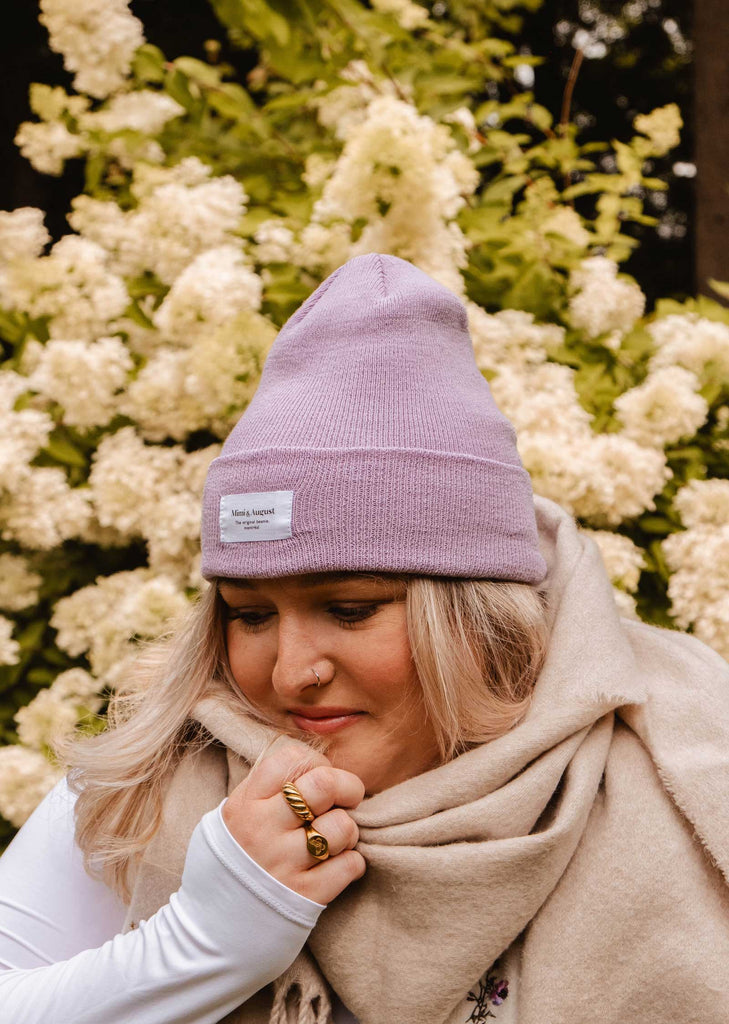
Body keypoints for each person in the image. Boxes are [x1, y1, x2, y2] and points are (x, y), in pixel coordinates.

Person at [0, 252, 729, 1024]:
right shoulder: (146, 778)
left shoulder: (683, 765)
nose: (289, 673)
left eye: (349, 609)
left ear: (477, 615)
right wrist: (204, 943)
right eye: (250, 614)